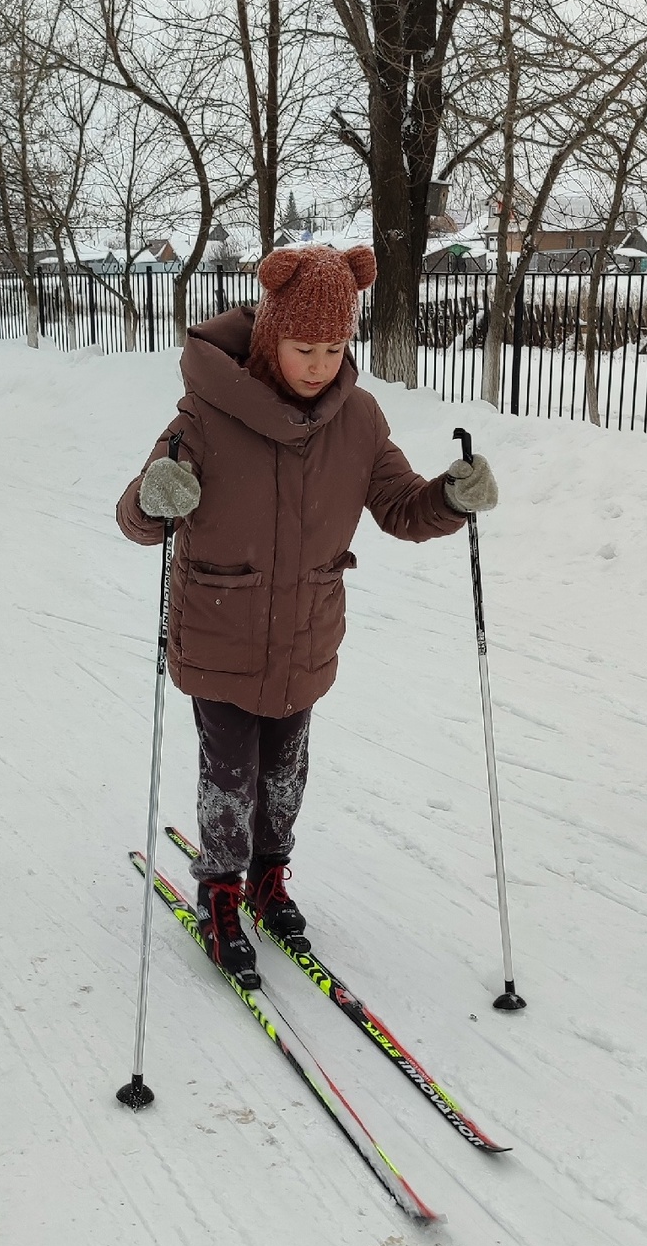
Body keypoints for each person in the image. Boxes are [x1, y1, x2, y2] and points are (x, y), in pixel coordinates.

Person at [116, 243, 498, 986]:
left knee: (285, 774)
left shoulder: (357, 418)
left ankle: (268, 874)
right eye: (304, 347)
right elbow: (139, 517)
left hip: (305, 632)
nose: (321, 363)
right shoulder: (204, 414)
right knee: (231, 772)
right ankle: (221, 890)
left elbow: (399, 506)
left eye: (334, 346)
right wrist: (153, 499)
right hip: (221, 625)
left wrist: (452, 499)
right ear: (269, 339)